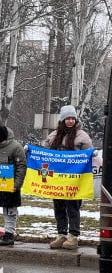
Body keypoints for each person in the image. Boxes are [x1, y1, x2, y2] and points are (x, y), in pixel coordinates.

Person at [43, 105, 93, 250]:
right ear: (62, 120)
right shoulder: (53, 136)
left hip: (75, 180)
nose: (70, 121)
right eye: (67, 118)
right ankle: (61, 234)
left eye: (72, 118)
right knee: (58, 207)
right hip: (57, 180)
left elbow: (88, 156)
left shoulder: (82, 136)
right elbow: (45, 155)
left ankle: (73, 236)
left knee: (73, 207)